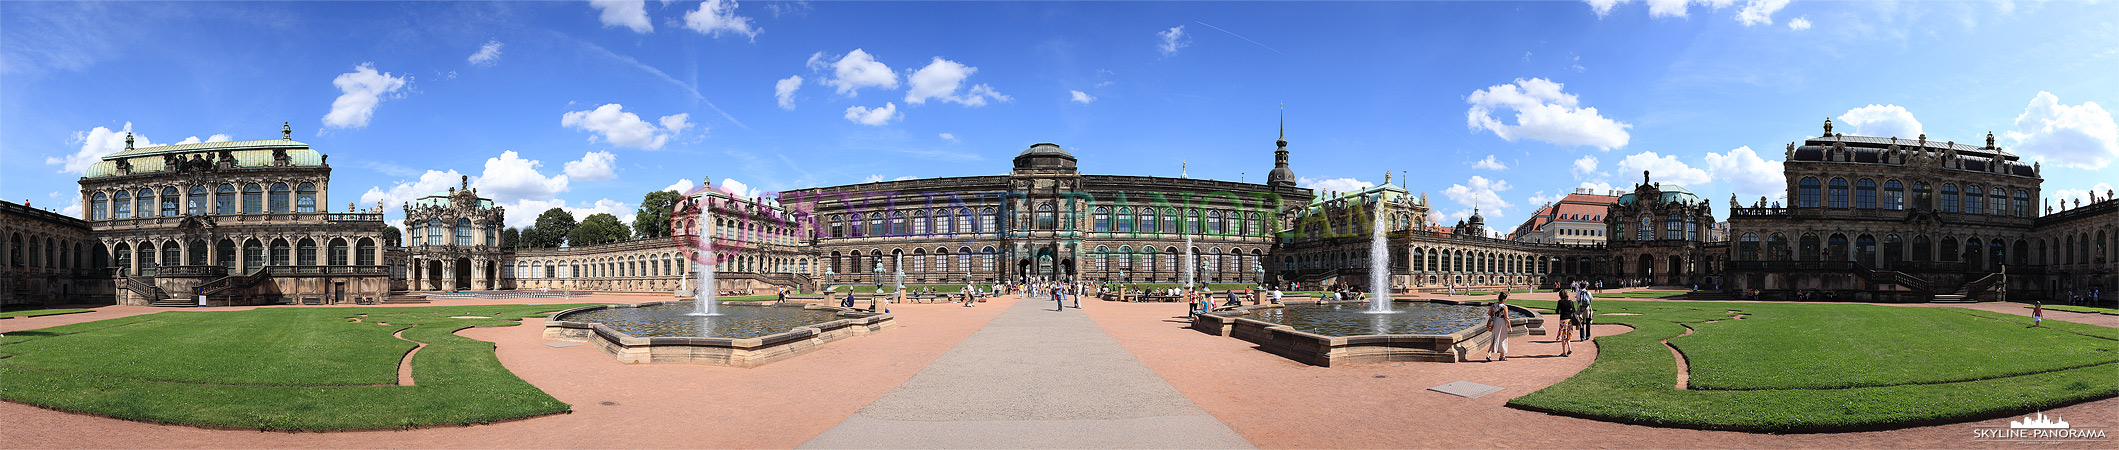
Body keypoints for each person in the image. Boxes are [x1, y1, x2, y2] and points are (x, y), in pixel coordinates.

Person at [1487, 293, 1511, 361]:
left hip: (1495, 322)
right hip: (1501, 323)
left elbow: (1489, 313)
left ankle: (1501, 356)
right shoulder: (1504, 307)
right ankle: (1489, 354)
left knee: (1495, 338)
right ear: (1503, 299)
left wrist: (1494, 317)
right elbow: (1507, 318)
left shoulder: (1493, 305)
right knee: (1502, 338)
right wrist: (1510, 327)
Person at [1552, 288, 1575, 356]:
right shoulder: (1570, 302)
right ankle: (1569, 349)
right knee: (1568, 335)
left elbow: (1557, 311)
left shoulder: (1560, 302)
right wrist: (1569, 312)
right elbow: (1574, 311)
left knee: (1563, 337)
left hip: (1563, 320)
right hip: (1569, 320)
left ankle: (1564, 352)